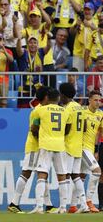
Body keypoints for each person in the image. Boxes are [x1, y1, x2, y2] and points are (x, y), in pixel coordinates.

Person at [8, 86, 57, 213]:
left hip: (42, 146)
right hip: (34, 146)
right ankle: (14, 202)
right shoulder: (38, 110)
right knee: (26, 172)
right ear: (46, 97)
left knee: (43, 174)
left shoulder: (44, 109)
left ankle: (49, 205)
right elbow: (34, 130)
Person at [30, 88, 71, 214]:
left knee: (42, 175)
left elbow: (34, 127)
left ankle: (39, 207)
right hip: (60, 145)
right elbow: (68, 129)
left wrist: (42, 135)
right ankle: (63, 207)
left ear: (47, 97)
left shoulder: (40, 110)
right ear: (58, 98)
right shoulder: (65, 111)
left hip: (46, 145)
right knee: (62, 176)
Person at [59, 83, 89, 213]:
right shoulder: (80, 107)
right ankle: (84, 205)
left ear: (64, 95)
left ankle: (62, 207)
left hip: (68, 146)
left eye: (61, 94)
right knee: (76, 176)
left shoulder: (68, 109)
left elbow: (66, 129)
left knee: (65, 176)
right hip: (78, 146)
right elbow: (85, 128)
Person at [79, 90, 102, 213]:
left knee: (81, 176)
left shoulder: (100, 115)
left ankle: (73, 205)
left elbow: (100, 134)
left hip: (91, 149)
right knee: (97, 172)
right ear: (89, 100)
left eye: (99, 100)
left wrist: (97, 151)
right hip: (81, 147)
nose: (98, 102)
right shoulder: (82, 112)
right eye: (95, 100)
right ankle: (88, 201)